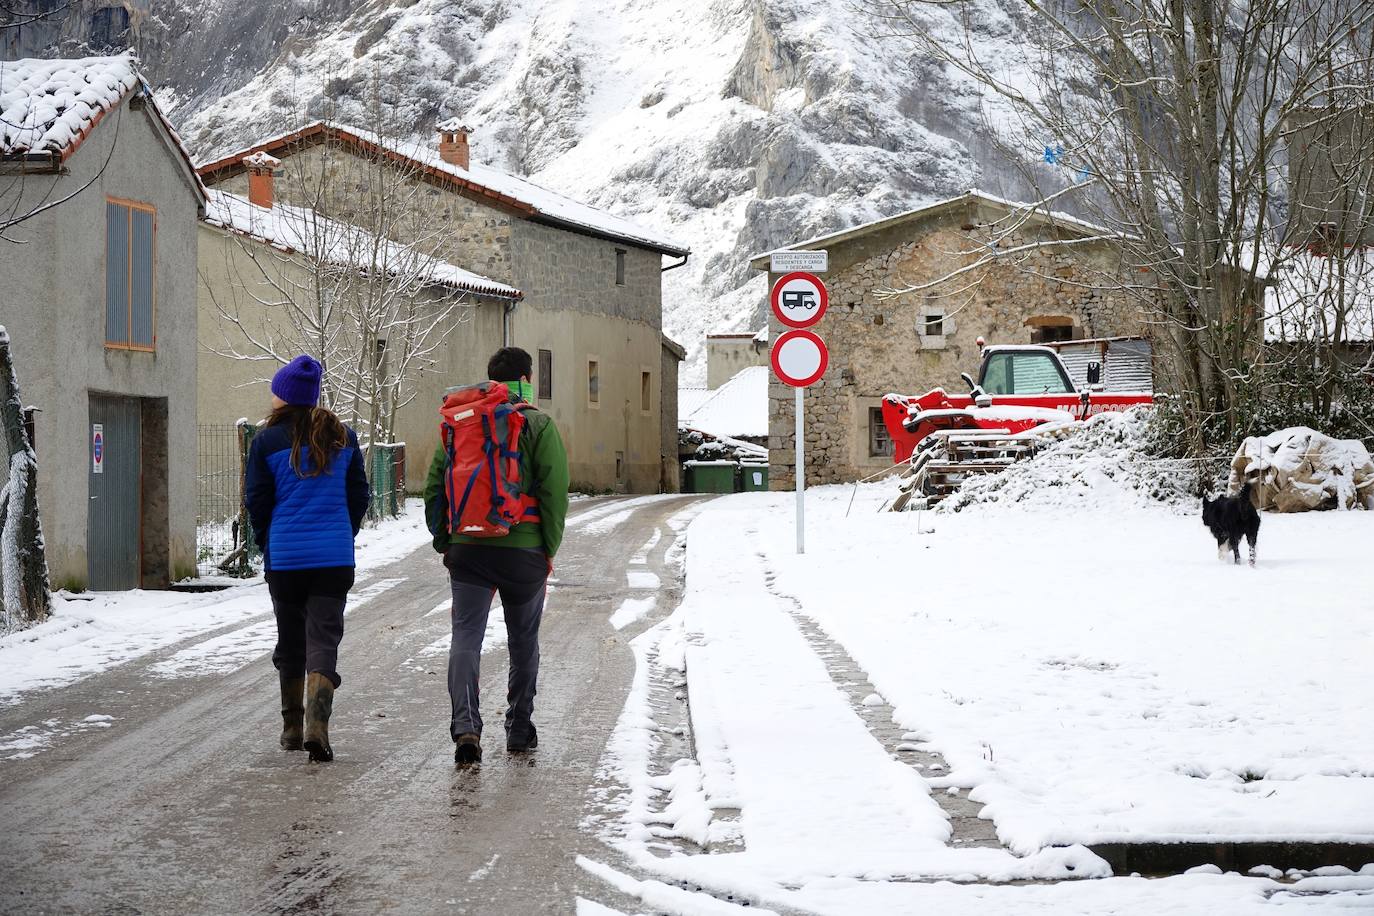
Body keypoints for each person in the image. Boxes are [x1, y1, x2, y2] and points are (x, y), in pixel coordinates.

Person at [424, 346, 570, 765]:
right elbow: (554, 493)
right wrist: (547, 549)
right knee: (523, 640)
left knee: (465, 636)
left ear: (489, 378)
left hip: (468, 548)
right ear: (527, 378)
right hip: (523, 551)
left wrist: (445, 541)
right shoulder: (538, 423)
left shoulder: (460, 423)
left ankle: (466, 728)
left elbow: (436, 487)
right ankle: (519, 728)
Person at [245, 355, 370, 763]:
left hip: (286, 560)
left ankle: (292, 727)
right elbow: (359, 497)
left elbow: (258, 503)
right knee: (324, 639)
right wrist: (340, 534)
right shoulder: (344, 437)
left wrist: (269, 541)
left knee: (291, 641)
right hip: (333, 560)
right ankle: (319, 727)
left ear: (283, 397)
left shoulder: (265, 442)